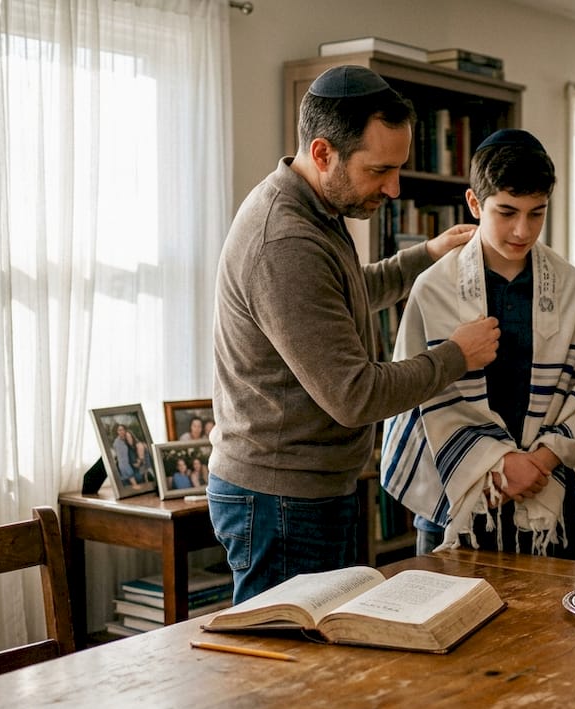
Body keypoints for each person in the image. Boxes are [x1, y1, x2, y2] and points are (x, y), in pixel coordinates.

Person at [207, 65, 501, 603]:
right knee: (288, 673)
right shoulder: (286, 240)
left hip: (308, 488)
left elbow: (341, 295)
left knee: (321, 670)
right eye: (379, 170)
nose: (393, 188)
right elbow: (355, 394)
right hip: (281, 499)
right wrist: (457, 355)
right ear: (323, 154)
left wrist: (424, 256)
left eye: (399, 169)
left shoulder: (317, 206)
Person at [381, 129, 575, 558]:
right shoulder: (434, 287)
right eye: (507, 212)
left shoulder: (570, 286)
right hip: (457, 501)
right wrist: (497, 466)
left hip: (546, 493)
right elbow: (417, 396)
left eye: (537, 213)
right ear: (475, 204)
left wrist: (543, 460)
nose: (523, 230)